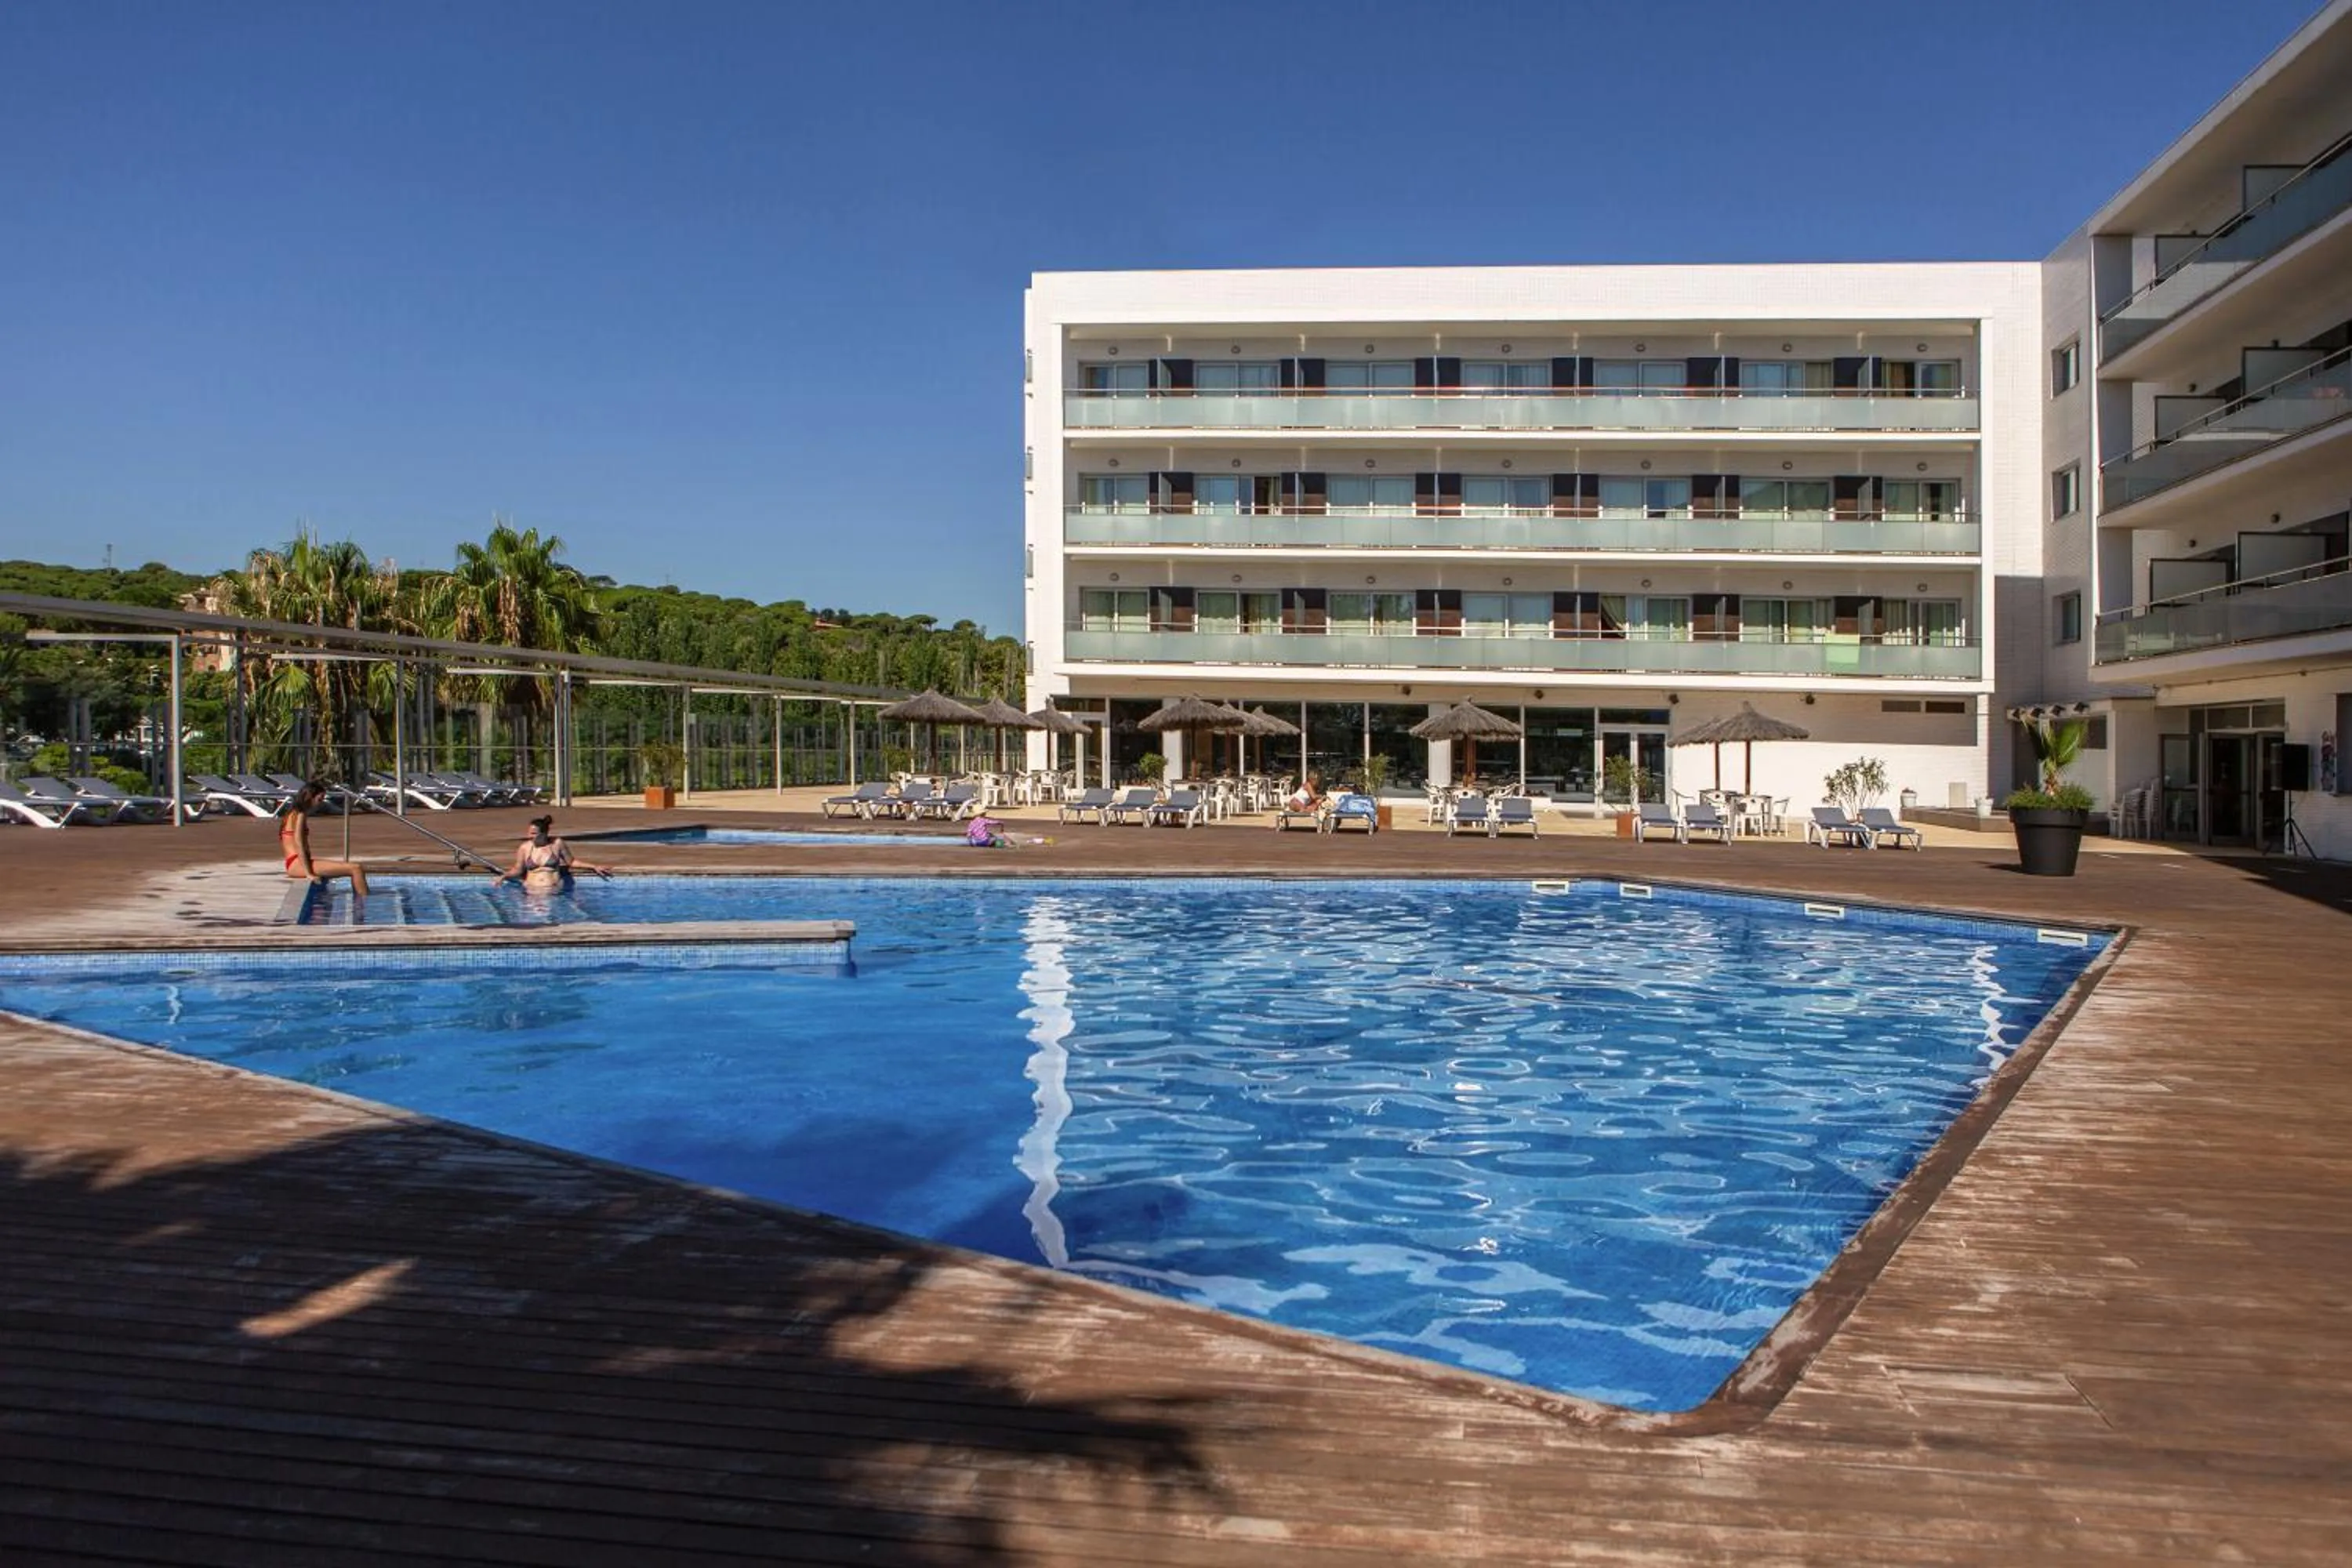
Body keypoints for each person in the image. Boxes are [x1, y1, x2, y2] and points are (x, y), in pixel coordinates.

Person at [279, 781, 370, 898]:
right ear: (310, 797)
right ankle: (364, 905)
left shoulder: (294, 813)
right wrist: (309, 874)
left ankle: (360, 901)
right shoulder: (300, 814)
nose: (320, 803)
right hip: (297, 864)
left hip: (296, 862)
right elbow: (299, 843)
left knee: (354, 868)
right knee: (355, 868)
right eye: (319, 799)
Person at [498, 815, 612, 890]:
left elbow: (571, 862)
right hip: (532, 892)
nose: (529, 836)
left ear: (544, 833)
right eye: (529, 833)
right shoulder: (525, 848)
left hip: (554, 892)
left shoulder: (556, 844)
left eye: (533, 834)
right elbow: (518, 869)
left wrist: (594, 866)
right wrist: (504, 876)